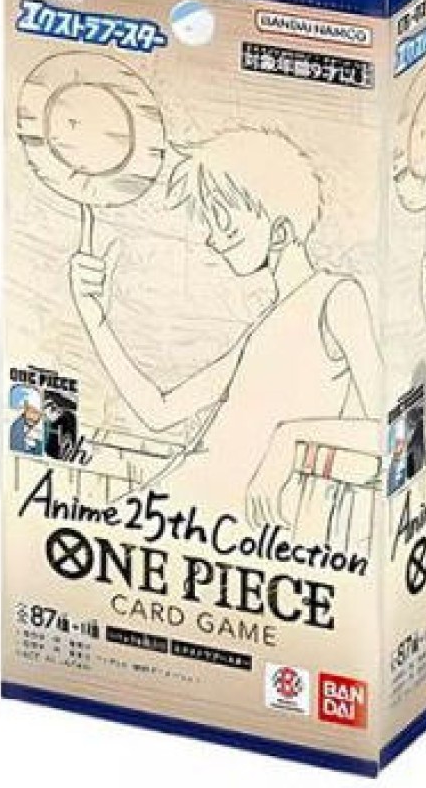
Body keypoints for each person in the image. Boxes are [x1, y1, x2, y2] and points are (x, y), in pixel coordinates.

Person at [69, 128, 381, 521]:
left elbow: (385, 430)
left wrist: (290, 439)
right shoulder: (266, 327)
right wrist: (94, 318)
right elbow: (158, 411)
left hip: (225, 519)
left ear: (281, 232)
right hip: (184, 506)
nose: (213, 241)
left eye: (225, 224)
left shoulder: (337, 297)